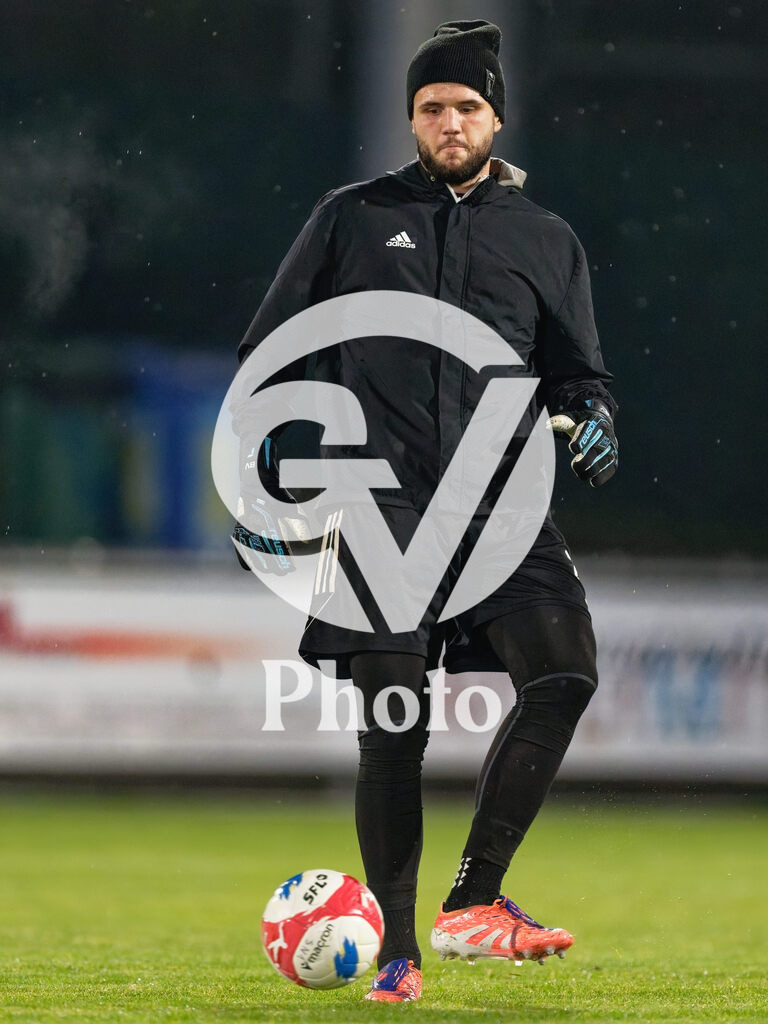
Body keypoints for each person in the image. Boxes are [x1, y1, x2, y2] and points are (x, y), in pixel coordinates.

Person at [233, 19, 618, 1004]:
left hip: (501, 504)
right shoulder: (351, 217)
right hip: (382, 506)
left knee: (566, 672)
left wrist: (594, 417)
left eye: (467, 106)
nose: (450, 122)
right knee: (394, 723)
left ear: (497, 117)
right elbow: (271, 347)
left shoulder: (546, 239)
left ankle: (473, 901)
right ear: (411, 118)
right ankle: (397, 954)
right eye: (432, 107)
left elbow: (578, 374)